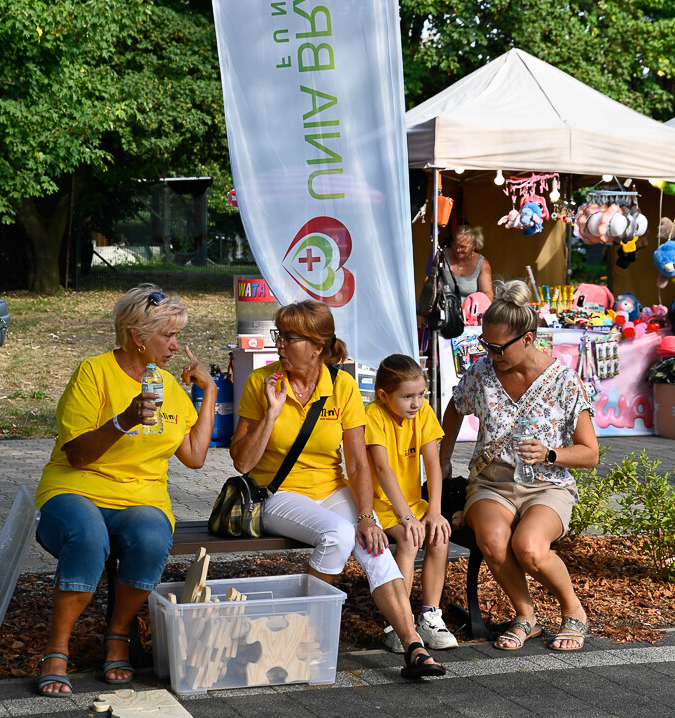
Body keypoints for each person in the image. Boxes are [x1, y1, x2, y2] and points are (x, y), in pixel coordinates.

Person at [230, 301, 446, 678]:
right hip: (275, 494)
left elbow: (359, 463)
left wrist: (368, 516)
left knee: (373, 543)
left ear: (316, 346)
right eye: (278, 335)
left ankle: (412, 644)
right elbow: (242, 463)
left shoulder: (341, 385)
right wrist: (271, 413)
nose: (279, 344)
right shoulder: (261, 382)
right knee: (338, 534)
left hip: (331, 488)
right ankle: (301, 636)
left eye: (289, 338)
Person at [34, 284, 217, 696]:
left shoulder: (167, 385)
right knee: (88, 534)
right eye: (167, 335)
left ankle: (117, 636)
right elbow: (78, 455)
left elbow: (194, 456)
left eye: (176, 335)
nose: (174, 345)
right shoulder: (93, 372)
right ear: (137, 335)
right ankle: (57, 648)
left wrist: (210, 393)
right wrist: (124, 419)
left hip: (141, 497)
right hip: (76, 489)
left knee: (153, 536)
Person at [440, 279, 599, 652]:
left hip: (547, 485)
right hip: (492, 483)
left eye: (498, 347)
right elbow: (454, 410)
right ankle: (525, 615)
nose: (490, 354)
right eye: (485, 344)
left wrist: (550, 453)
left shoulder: (563, 381)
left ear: (528, 339)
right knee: (494, 541)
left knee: (529, 547)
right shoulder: (481, 372)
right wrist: (443, 459)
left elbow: (590, 453)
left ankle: (573, 610)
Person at [365, 354, 456, 652]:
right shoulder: (372, 415)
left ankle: (430, 617)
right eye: (407, 397)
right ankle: (397, 623)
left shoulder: (424, 413)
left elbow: (433, 463)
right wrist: (406, 517)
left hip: (412, 503)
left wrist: (435, 512)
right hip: (381, 504)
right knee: (408, 539)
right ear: (383, 395)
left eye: (421, 395)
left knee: (439, 537)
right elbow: (382, 469)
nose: (416, 403)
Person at [443, 225, 493, 300]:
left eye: (462, 247)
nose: (457, 250)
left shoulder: (482, 263)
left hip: (470, 310)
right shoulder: (443, 255)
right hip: (444, 308)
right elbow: (430, 282)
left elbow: (488, 294)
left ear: (474, 246)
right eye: (456, 245)